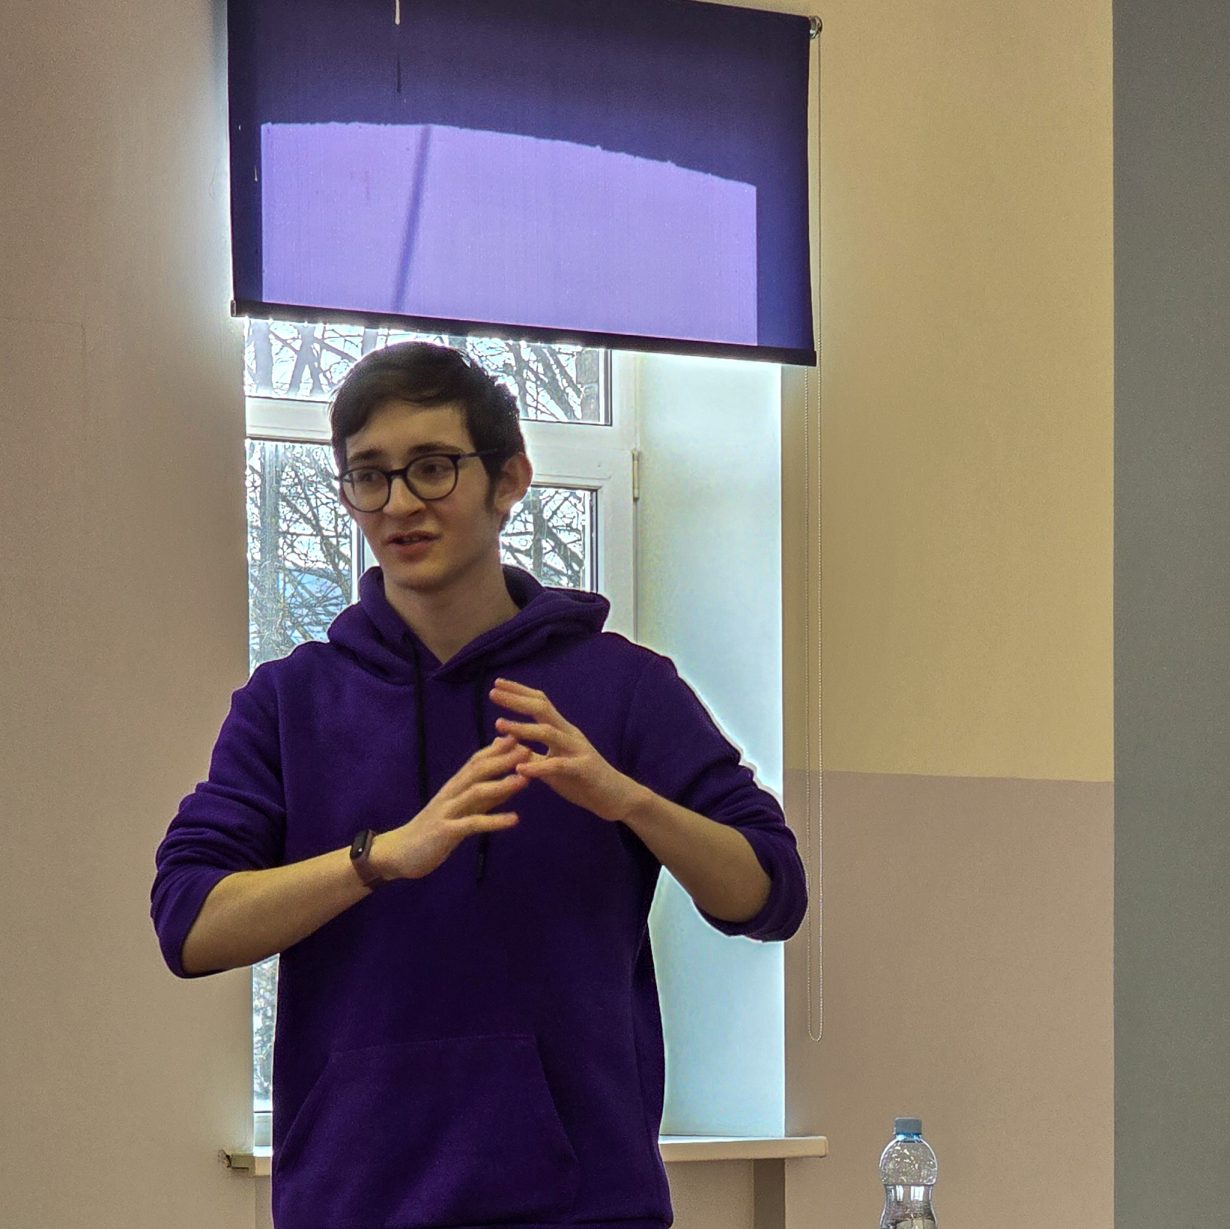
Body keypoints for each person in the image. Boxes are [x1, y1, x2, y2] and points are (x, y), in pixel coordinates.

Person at [150, 340, 808, 1229]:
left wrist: (631, 801)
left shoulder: (624, 689)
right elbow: (188, 921)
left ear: (509, 480)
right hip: (352, 1204)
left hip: (585, 1207)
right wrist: (379, 858)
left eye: (432, 467)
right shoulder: (288, 702)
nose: (399, 503)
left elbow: (771, 894)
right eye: (370, 476)